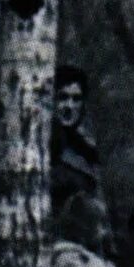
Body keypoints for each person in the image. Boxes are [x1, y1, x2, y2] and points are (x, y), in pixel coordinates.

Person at [50, 64, 103, 212]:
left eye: (76, 99)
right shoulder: (43, 144)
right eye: (63, 97)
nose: (69, 106)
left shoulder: (86, 149)